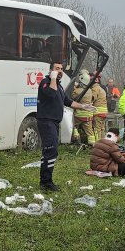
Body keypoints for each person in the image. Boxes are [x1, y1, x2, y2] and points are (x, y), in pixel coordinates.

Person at [37, 62, 95, 191]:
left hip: (54, 122)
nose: (60, 71)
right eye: (57, 69)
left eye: (62, 69)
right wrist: (52, 78)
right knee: (51, 150)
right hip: (46, 121)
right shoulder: (46, 82)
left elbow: (67, 101)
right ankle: (46, 182)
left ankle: (45, 180)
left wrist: (83, 106)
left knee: (50, 151)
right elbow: (51, 94)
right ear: (51, 71)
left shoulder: (59, 86)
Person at [70, 69, 106, 145]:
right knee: (95, 131)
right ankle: (95, 144)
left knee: (73, 124)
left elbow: (72, 99)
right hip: (91, 115)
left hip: (84, 114)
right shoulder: (91, 90)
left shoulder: (91, 90)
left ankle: (77, 139)